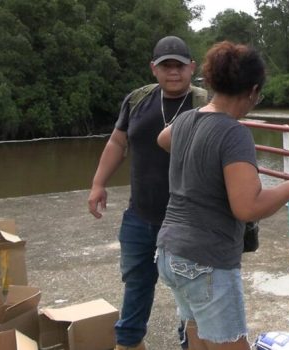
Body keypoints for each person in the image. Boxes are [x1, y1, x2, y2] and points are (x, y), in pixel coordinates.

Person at [155, 40, 289, 350]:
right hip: (207, 260)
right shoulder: (234, 132)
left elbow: (163, 139)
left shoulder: (187, 119)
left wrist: (200, 163)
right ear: (253, 91)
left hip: (170, 251)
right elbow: (247, 207)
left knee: (196, 332)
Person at [87, 36, 207, 350]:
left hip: (188, 221)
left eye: (180, 66)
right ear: (153, 68)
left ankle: (190, 345)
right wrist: (99, 183)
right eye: (166, 66)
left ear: (191, 68)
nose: (173, 72)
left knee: (191, 293)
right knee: (136, 285)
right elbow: (117, 142)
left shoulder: (205, 104)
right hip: (140, 216)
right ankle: (128, 344)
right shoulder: (137, 100)